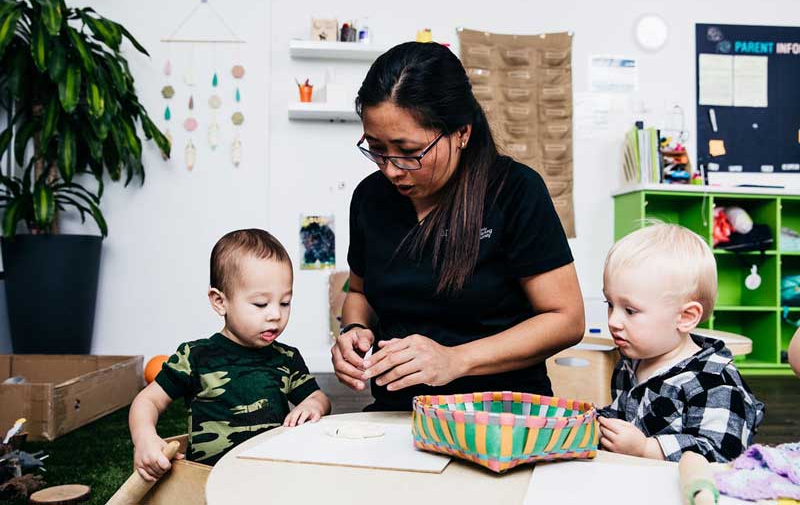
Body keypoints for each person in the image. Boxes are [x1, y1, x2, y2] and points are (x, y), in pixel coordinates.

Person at [331, 41, 585, 411]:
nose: (391, 168)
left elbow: (566, 319)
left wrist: (455, 360)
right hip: (399, 415)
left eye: (409, 151)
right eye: (376, 148)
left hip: (502, 416)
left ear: (462, 132)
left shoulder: (514, 192)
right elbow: (360, 293)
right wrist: (354, 331)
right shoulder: (370, 198)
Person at [129, 229, 331, 481]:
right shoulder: (195, 357)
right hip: (207, 482)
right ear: (219, 301)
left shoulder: (286, 358)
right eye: (260, 304)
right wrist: (145, 438)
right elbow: (148, 401)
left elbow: (317, 396)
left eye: (285, 302)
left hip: (270, 478)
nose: (275, 315)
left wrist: (313, 405)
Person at [598, 223, 764, 462]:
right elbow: (621, 416)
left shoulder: (714, 383)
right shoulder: (632, 361)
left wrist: (647, 448)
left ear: (685, 317)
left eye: (630, 310)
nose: (614, 321)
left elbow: (721, 455)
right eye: (610, 304)